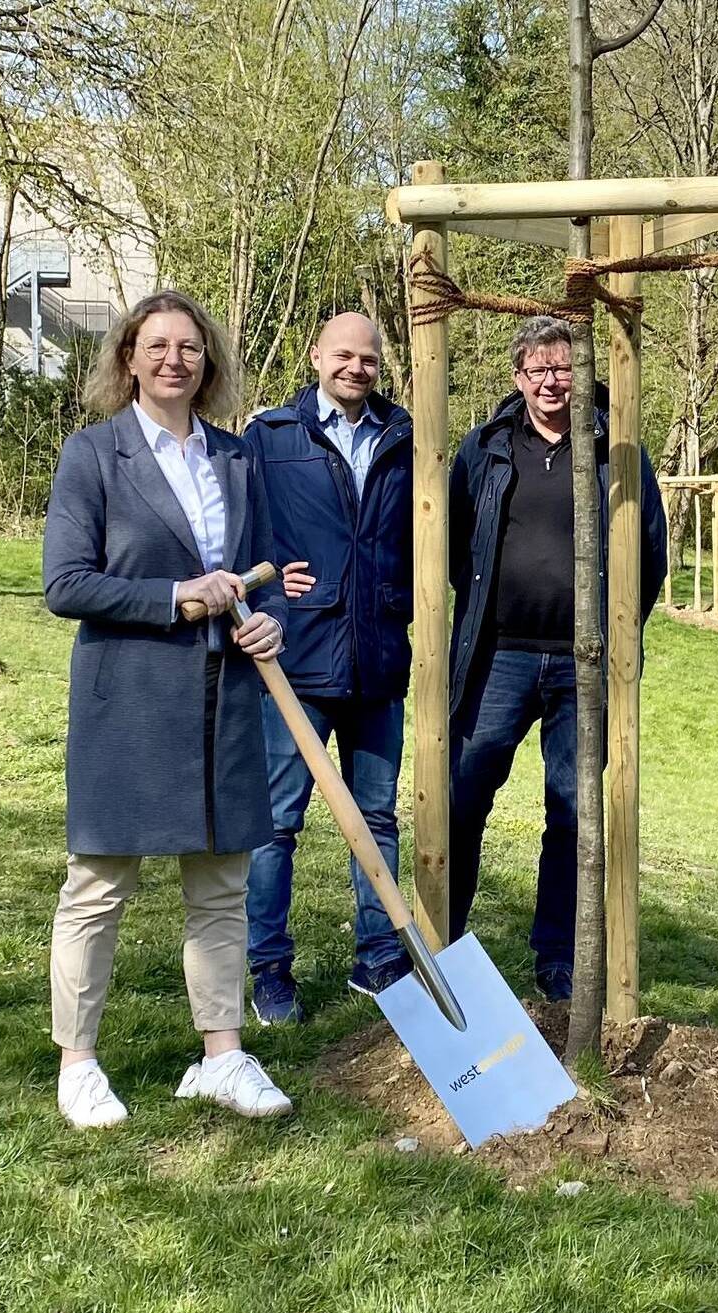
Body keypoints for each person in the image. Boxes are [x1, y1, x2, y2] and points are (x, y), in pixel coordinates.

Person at [41, 289, 295, 1128]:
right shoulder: (93, 455)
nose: (174, 360)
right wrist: (175, 597)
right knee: (100, 885)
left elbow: (265, 569)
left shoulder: (237, 459)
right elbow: (66, 584)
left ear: (208, 365)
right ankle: (78, 1063)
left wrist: (267, 625)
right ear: (127, 358)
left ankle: (220, 1055)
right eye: (157, 346)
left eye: (190, 348)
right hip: (130, 705)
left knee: (221, 887)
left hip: (223, 700)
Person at [447, 315, 667, 1000]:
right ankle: (445, 942)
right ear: (517, 378)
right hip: (498, 658)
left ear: (585, 377)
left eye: (564, 368)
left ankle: (558, 955)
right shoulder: (484, 450)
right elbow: (458, 546)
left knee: (572, 810)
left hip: (583, 662)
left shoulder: (617, 454)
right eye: (538, 369)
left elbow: (648, 552)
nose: (551, 380)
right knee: (461, 797)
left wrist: (612, 629)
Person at [240, 313, 415, 1023]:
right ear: (316, 356)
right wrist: (275, 585)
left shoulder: (403, 435)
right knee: (277, 822)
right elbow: (241, 532)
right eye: (343, 354)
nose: (356, 367)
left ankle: (380, 960)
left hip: (377, 661)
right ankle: (270, 971)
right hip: (297, 659)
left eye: (368, 357)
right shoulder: (271, 437)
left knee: (375, 817)